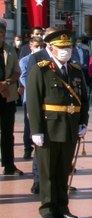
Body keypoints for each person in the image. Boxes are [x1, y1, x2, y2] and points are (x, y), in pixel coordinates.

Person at [27, 30, 89, 218]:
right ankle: (47, 210)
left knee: (63, 171)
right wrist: (36, 130)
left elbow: (83, 100)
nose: (65, 51)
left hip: (69, 128)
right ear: (50, 48)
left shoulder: (76, 70)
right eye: (61, 48)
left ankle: (62, 208)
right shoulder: (41, 69)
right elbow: (33, 101)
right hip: (48, 128)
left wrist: (83, 122)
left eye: (68, 47)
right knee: (47, 173)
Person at [25, 27, 59, 194]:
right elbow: (32, 87)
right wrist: (32, 111)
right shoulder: (37, 57)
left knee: (60, 151)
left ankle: (60, 181)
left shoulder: (64, 57)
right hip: (42, 112)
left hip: (60, 116)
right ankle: (38, 180)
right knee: (41, 148)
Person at [0, 19, 22, 176]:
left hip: (7, 96)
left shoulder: (9, 50)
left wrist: (7, 82)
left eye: (1, 33)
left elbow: (17, 71)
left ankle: (9, 165)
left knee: (8, 133)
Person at [19, 37, 43, 162]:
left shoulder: (45, 59)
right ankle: (27, 148)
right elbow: (23, 77)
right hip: (30, 97)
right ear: (31, 46)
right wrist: (33, 85)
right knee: (28, 124)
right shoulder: (25, 60)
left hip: (43, 97)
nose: (39, 48)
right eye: (36, 46)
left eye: (41, 46)